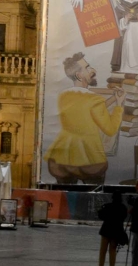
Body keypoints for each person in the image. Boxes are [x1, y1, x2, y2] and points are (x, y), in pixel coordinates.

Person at [45, 53, 125, 183]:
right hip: (89, 159)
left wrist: (113, 99)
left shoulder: (64, 96)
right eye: (87, 68)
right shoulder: (94, 99)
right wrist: (119, 105)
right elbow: (110, 129)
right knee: (93, 198)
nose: (92, 70)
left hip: (62, 158)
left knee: (65, 198)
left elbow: (86, 110)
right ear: (79, 75)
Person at [94, 190, 127, 266]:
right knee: (112, 252)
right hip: (116, 232)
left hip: (106, 231)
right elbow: (124, 217)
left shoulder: (108, 206)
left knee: (102, 252)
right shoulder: (123, 208)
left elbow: (101, 216)